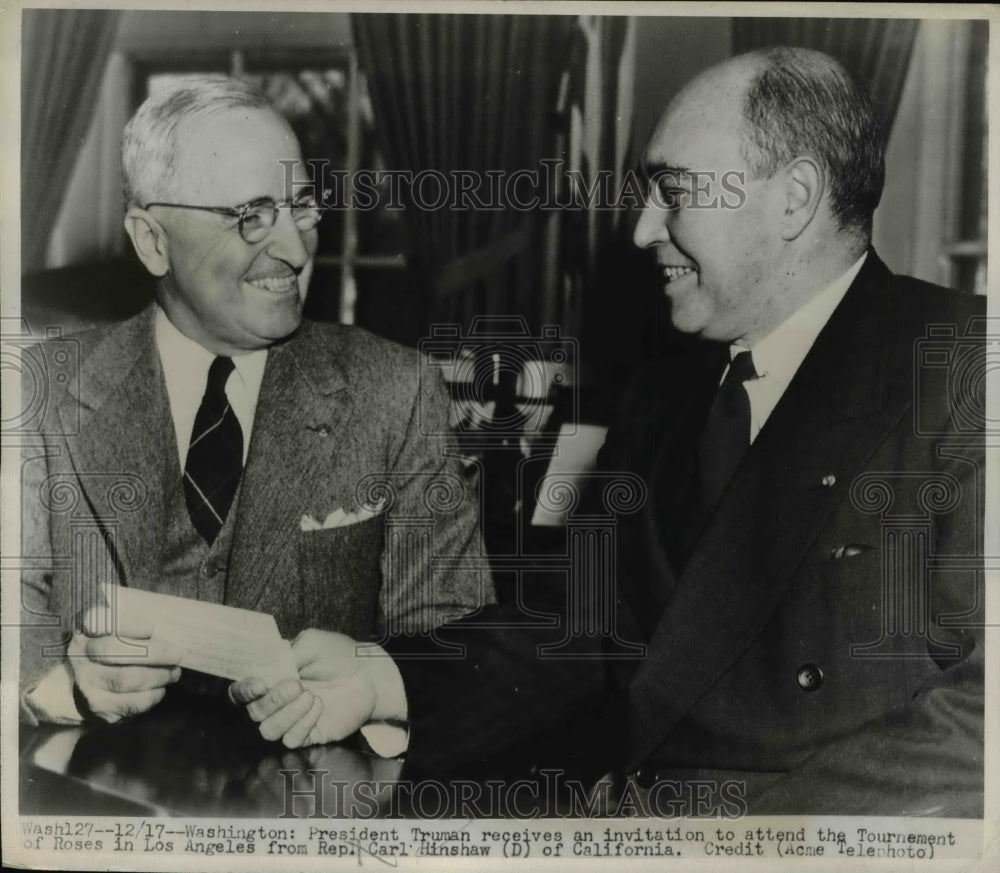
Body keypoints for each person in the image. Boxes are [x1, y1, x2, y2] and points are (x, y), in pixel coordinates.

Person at [242, 47, 986, 817]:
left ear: (794, 197)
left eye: (673, 192)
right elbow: (579, 623)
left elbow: (976, 727)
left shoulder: (967, 371)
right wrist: (379, 678)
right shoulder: (665, 397)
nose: (640, 230)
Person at [19, 76, 491, 747]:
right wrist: (64, 685)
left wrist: (373, 686)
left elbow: (460, 652)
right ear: (152, 241)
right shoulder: (39, 392)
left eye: (302, 209)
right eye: (249, 216)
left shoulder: (397, 390)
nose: (297, 253)